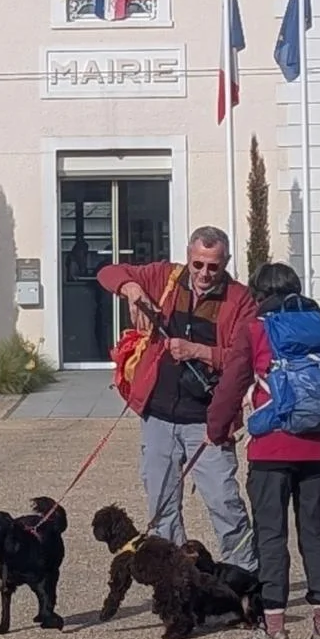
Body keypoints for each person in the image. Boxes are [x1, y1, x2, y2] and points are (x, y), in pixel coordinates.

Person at [96, 225, 258, 572]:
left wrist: (199, 351)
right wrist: (131, 287)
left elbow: (246, 355)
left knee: (224, 502)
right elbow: (107, 272)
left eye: (213, 266)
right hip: (159, 414)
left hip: (208, 417)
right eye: (197, 264)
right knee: (161, 504)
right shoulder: (166, 277)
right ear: (188, 257)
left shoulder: (240, 299)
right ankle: (175, 579)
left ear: (226, 262)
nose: (203, 274)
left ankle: (243, 578)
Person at [207, 261, 320, 639]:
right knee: (316, 532)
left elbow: (231, 386)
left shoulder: (256, 330)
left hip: (271, 448)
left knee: (271, 537)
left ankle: (276, 632)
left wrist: (217, 429)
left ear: (259, 294)